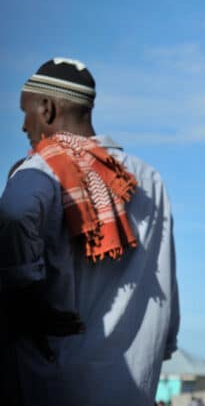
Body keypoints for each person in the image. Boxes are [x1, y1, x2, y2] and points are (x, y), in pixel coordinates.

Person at [0, 58, 179, 406]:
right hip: (130, 385)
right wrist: (166, 342)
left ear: (47, 109)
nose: (24, 125)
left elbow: (14, 211)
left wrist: (21, 296)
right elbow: (166, 274)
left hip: (53, 378)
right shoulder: (147, 178)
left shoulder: (42, 167)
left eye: (26, 112)